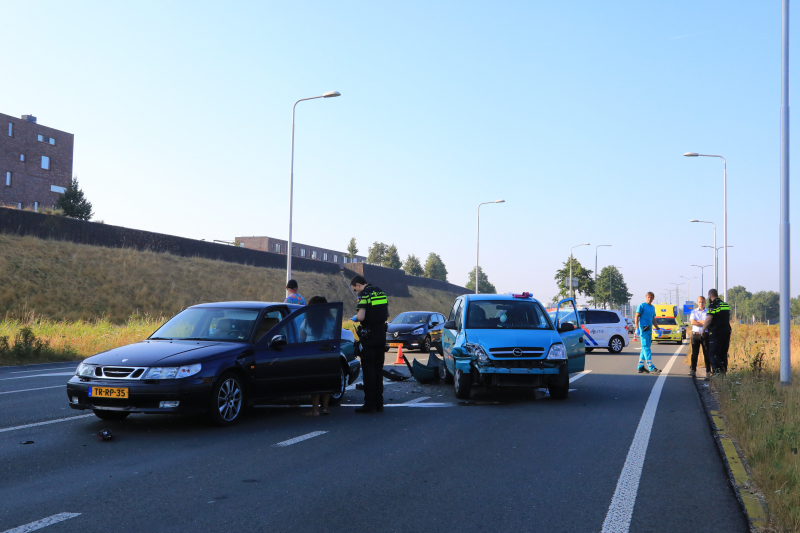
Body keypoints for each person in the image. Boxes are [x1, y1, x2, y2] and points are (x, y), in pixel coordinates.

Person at [350, 275, 389, 414]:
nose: (356, 292)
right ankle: (379, 403)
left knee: (368, 371)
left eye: (355, 289)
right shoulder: (381, 292)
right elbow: (387, 313)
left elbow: (361, 317)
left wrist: (355, 318)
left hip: (369, 336)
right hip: (381, 334)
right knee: (378, 370)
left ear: (358, 285)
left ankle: (370, 404)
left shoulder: (364, 295)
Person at [303, 296, 333, 417]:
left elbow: (301, 336)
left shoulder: (308, 320)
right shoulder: (331, 320)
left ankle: (315, 410)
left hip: (312, 352)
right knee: (326, 380)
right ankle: (325, 408)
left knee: (314, 381)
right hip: (328, 351)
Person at [704, 289, 731, 378]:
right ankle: (723, 372)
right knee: (723, 351)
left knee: (714, 352)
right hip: (726, 331)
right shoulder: (725, 305)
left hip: (716, 332)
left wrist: (703, 329)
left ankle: (716, 372)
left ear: (710, 296)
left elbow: (709, 319)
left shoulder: (713, 305)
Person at [634, 292, 661, 374]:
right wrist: (637, 328)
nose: (649, 299)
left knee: (645, 348)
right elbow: (636, 316)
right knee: (646, 347)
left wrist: (658, 328)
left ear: (653, 298)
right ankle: (650, 366)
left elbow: (653, 319)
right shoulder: (641, 306)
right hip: (643, 329)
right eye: (648, 297)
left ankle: (640, 366)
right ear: (646, 297)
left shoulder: (652, 307)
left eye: (651, 297)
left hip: (649, 329)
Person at [689, 296, 710, 377]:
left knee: (707, 354)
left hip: (705, 335)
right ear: (697, 302)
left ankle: (708, 372)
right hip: (695, 335)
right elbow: (693, 322)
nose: (701, 303)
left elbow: (710, 322)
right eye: (699, 302)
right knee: (694, 354)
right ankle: (693, 370)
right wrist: (704, 323)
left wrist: (699, 322)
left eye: (702, 302)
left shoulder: (708, 312)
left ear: (705, 302)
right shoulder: (694, 312)